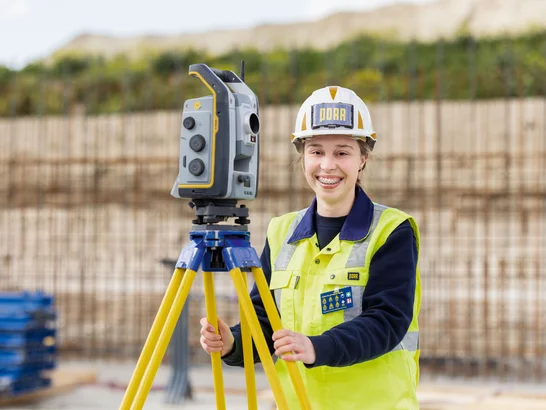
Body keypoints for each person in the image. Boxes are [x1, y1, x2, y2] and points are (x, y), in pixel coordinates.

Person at [200, 86, 421, 409]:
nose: (327, 166)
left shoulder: (391, 231)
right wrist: (232, 341)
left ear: (363, 159)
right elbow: (266, 319)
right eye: (316, 151)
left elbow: (387, 321)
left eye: (342, 152)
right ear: (302, 157)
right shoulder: (281, 231)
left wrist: (318, 347)